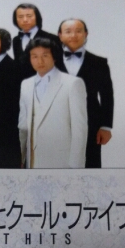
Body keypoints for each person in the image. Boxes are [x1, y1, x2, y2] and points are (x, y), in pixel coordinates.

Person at [18, 38, 87, 168]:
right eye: (34, 56)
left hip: (62, 162)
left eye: (45, 55)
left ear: (54, 57)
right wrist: (20, 159)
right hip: (32, 162)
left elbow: (80, 129)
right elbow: (23, 126)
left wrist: (76, 168)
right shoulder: (26, 84)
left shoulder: (72, 83)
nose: (40, 61)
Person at [57, 18, 114, 168]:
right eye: (68, 31)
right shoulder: (49, 61)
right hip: (55, 121)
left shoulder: (99, 63)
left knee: (90, 165)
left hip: (91, 123)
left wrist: (106, 126)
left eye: (78, 31)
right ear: (60, 35)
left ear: (86, 34)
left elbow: (107, 96)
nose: (73, 35)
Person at [11, 3, 62, 79]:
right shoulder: (16, 40)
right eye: (20, 17)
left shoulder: (52, 38)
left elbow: (59, 64)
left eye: (29, 16)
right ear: (15, 19)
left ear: (37, 17)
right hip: (23, 83)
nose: (25, 20)